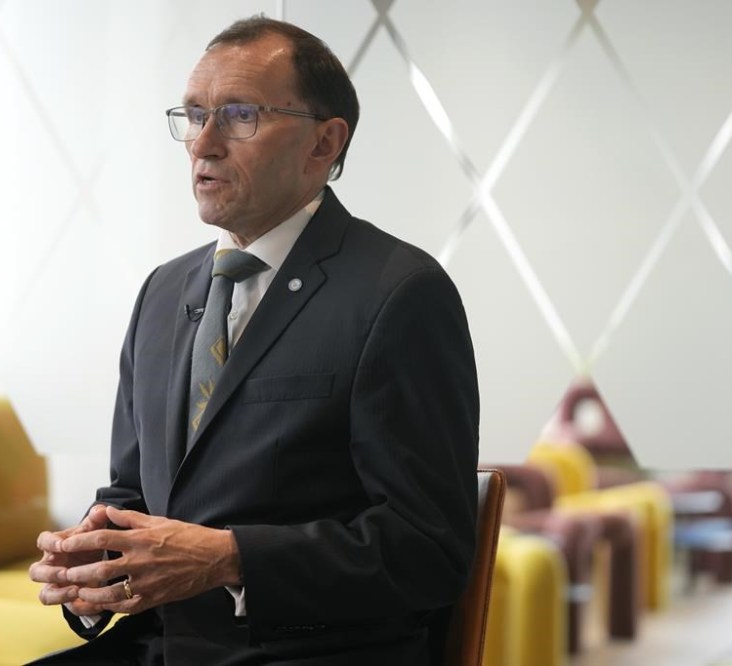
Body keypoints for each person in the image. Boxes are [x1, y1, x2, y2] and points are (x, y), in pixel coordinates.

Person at [29, 15, 479, 666]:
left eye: (239, 115)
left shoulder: (400, 293)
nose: (203, 143)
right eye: (194, 114)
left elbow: (427, 550)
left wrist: (230, 559)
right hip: (161, 649)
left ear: (323, 143)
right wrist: (90, 565)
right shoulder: (162, 292)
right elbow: (131, 495)